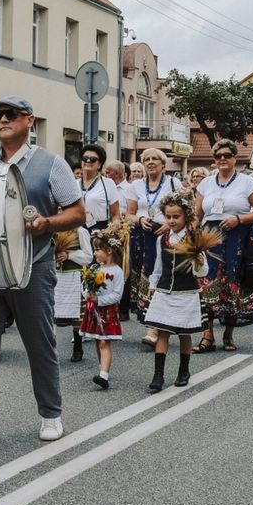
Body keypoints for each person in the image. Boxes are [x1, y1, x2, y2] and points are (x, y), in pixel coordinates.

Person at [0, 97, 85, 458]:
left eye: (10, 114)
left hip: (32, 265)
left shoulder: (51, 164)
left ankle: (51, 413)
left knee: (39, 344)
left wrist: (46, 223)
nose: (3, 120)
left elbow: (77, 212)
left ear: (30, 120)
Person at [192, 139, 253, 352]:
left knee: (232, 283)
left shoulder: (246, 182)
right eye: (218, 156)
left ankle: (228, 334)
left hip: (238, 236)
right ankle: (208, 336)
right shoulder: (205, 183)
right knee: (206, 284)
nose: (222, 159)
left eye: (226, 155)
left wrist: (239, 219)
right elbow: (198, 214)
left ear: (234, 158)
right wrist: (190, 236)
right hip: (210, 238)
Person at [142, 195, 206, 391]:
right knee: (162, 332)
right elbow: (159, 266)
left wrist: (198, 258)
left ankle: (183, 370)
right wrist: (153, 284)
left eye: (176, 216)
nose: (171, 221)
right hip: (164, 291)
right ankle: (158, 375)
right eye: (168, 217)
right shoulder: (162, 239)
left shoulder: (194, 238)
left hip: (186, 292)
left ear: (185, 216)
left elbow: (202, 272)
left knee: (184, 333)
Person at [67, 142, 120, 362]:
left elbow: (115, 213)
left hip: (98, 235)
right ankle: (77, 339)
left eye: (93, 160)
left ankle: (100, 329)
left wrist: (111, 236)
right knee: (77, 287)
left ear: (100, 164)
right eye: (85, 159)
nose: (88, 163)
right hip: (77, 234)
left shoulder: (107, 184)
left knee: (97, 284)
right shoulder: (72, 182)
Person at [125, 148, 180, 339]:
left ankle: (155, 328)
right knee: (145, 278)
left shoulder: (173, 183)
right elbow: (129, 213)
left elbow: (185, 212)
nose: (150, 162)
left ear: (163, 164)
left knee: (161, 276)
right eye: (147, 159)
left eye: (155, 159)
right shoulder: (136, 186)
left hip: (165, 235)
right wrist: (139, 220)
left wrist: (169, 224)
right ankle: (151, 321)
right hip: (142, 236)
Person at [82, 238, 125, 390]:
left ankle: (104, 375)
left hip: (107, 312)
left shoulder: (117, 272)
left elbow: (117, 295)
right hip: (94, 310)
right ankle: (103, 367)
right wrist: (87, 293)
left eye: (97, 250)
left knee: (104, 342)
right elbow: (85, 284)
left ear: (109, 251)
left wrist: (99, 300)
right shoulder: (95, 268)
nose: (95, 253)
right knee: (97, 339)